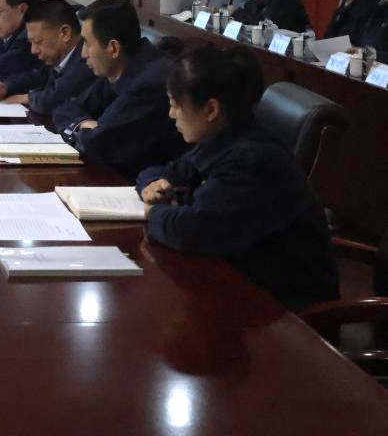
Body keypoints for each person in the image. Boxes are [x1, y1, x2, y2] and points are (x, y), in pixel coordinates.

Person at [137, 46, 338, 311]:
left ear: (211, 109)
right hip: (238, 280)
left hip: (287, 311)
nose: (170, 114)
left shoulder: (252, 161)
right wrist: (152, 183)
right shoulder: (223, 137)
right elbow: (166, 170)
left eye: (175, 105)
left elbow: (193, 231)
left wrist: (154, 212)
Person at [54, 0, 188, 180]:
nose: (83, 54)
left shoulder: (150, 82)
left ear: (113, 48)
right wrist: (85, 125)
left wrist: (88, 129)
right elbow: (64, 109)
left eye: (87, 44)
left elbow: (98, 144)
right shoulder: (118, 67)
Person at [0, 0, 94, 116]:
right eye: (31, 43)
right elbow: (36, 77)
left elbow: (57, 95)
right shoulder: (59, 58)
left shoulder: (88, 59)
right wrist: (6, 87)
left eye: (38, 42)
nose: (33, 50)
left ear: (65, 33)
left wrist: (28, 98)